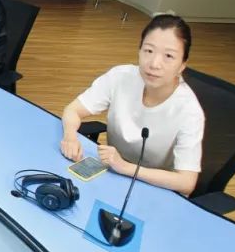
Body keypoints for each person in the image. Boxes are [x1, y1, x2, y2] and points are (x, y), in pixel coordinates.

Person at [59, 14, 204, 196]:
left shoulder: (189, 111)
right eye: (148, 51)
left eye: (168, 56)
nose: (154, 64)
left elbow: (186, 182)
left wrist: (125, 167)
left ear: (182, 65)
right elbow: (73, 110)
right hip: (112, 175)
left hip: (154, 188)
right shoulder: (121, 77)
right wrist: (70, 137)